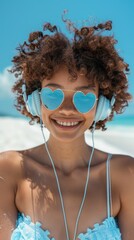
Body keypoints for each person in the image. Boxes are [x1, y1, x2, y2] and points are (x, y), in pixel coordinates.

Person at [0, 16, 134, 240]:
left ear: (102, 105)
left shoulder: (124, 174)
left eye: (84, 97)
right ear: (35, 99)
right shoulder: (9, 170)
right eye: (53, 95)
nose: (67, 109)